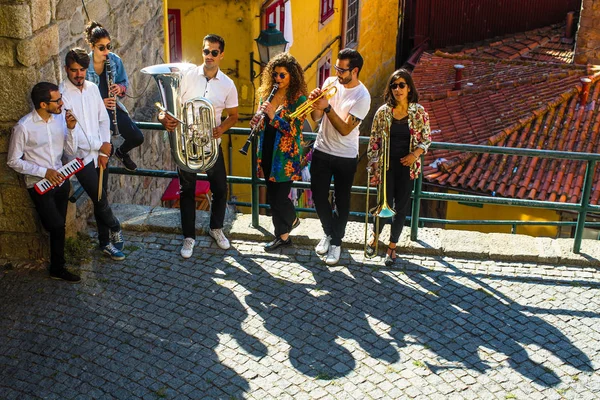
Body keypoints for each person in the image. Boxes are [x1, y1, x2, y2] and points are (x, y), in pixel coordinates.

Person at [159, 34, 239, 258]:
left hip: (211, 144)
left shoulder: (228, 85)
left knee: (221, 189)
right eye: (206, 51)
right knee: (187, 191)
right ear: (202, 51)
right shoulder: (187, 77)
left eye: (214, 52)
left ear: (221, 55)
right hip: (187, 143)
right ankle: (189, 237)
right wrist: (163, 119)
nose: (209, 56)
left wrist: (221, 129)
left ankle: (216, 229)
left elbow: (234, 115)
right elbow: (166, 109)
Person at [7, 83, 80, 282]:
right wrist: (43, 172)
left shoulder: (60, 121)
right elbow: (13, 161)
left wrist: (71, 129)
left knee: (59, 225)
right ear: (42, 104)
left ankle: (58, 266)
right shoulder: (23, 127)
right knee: (56, 226)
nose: (61, 104)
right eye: (57, 100)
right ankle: (58, 267)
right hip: (39, 184)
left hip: (61, 181)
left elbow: (70, 152)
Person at [60, 48, 126, 261]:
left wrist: (105, 147)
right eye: (73, 70)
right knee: (98, 197)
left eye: (82, 70)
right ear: (66, 70)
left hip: (100, 153)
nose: (78, 74)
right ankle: (115, 226)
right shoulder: (62, 95)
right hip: (80, 158)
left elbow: (102, 118)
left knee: (102, 196)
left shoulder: (92, 88)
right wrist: (100, 146)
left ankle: (105, 243)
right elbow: (75, 135)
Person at [308, 48, 371, 265]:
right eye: (336, 68)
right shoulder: (330, 83)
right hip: (322, 149)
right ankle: (328, 232)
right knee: (317, 196)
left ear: (355, 71)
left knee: (341, 201)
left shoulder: (363, 97)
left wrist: (326, 108)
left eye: (342, 70)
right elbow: (315, 118)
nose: (337, 73)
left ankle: (336, 243)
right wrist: (315, 104)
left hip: (345, 155)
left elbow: (345, 129)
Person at [366, 69, 431, 266]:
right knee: (382, 203)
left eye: (402, 85)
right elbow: (374, 141)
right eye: (394, 86)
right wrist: (375, 163)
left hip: (408, 167)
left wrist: (414, 155)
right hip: (386, 166)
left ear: (409, 88)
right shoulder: (383, 112)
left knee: (401, 207)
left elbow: (427, 140)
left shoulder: (419, 112)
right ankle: (374, 237)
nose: (397, 89)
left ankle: (392, 246)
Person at [250, 53, 306, 251]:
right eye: (275, 74)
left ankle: (290, 221)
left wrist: (273, 116)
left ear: (292, 75)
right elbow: (260, 119)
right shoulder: (267, 93)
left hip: (285, 156)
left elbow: (295, 130)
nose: (278, 79)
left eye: (283, 75)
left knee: (280, 197)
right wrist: (255, 122)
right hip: (266, 150)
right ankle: (283, 236)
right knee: (273, 196)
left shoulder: (299, 100)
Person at [84, 21, 144, 171]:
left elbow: (123, 82)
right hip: (94, 114)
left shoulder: (115, 61)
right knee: (104, 153)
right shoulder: (84, 65)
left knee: (137, 137)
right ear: (92, 46)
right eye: (101, 47)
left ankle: (121, 152)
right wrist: (99, 103)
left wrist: (119, 88)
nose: (106, 51)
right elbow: (81, 96)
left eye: (108, 46)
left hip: (112, 108)